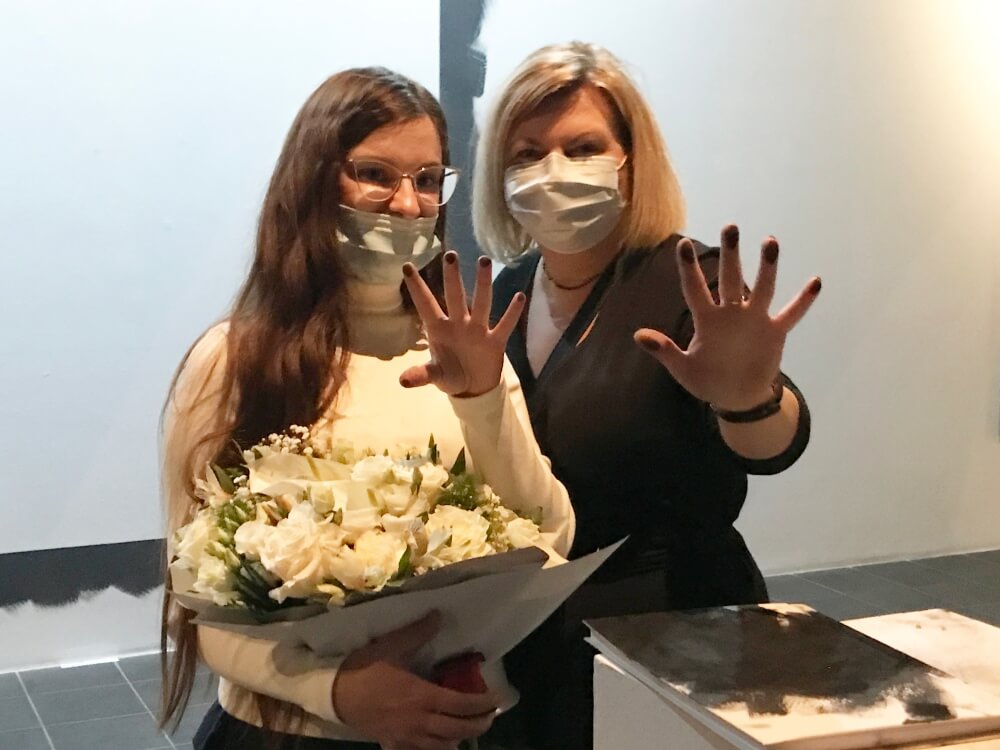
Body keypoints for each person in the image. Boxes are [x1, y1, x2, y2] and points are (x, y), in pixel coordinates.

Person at [159, 66, 575, 750]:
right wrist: (331, 691)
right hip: (286, 736)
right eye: (375, 175)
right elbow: (197, 600)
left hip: (461, 727)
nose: (407, 205)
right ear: (312, 182)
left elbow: (552, 536)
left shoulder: (464, 354)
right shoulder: (232, 360)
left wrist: (481, 399)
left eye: (428, 179)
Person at [472, 42, 821, 749]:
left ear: (631, 161)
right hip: (528, 645)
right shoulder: (506, 291)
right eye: (528, 153)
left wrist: (749, 400)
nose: (554, 170)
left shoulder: (693, 281)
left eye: (583, 148)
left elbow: (772, 445)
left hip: (671, 638)